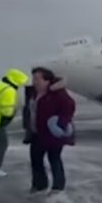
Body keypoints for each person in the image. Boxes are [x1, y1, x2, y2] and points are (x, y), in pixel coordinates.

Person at [23, 67, 76, 195]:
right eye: (34, 79)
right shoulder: (32, 93)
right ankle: (39, 185)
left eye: (38, 79)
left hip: (52, 134)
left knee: (54, 159)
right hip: (36, 133)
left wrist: (60, 124)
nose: (34, 82)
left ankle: (58, 187)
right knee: (36, 159)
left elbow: (69, 107)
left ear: (47, 81)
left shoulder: (57, 93)